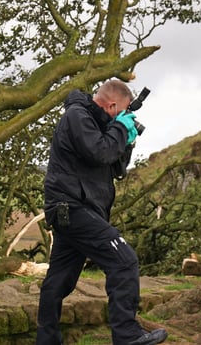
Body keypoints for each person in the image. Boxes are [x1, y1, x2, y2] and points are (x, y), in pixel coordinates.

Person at [35, 80, 168, 345]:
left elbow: (115, 167)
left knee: (59, 281)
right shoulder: (77, 116)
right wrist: (119, 128)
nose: (124, 117)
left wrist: (126, 139)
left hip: (81, 210)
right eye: (123, 111)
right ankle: (127, 336)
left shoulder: (98, 124)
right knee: (124, 260)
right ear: (112, 105)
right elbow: (100, 151)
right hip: (71, 207)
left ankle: (46, 340)